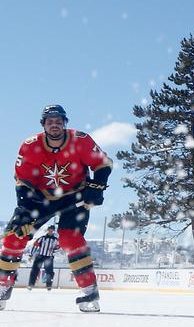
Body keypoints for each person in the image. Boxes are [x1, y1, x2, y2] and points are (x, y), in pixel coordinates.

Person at [1, 105, 112, 312]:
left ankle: (89, 291)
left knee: (71, 239)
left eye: (59, 120)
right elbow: (22, 180)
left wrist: (97, 186)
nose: (55, 124)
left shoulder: (80, 140)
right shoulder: (29, 146)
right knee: (14, 236)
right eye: (50, 121)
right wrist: (24, 209)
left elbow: (103, 164)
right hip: (40, 199)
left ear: (64, 123)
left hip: (74, 197)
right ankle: (2, 286)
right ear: (43, 124)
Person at [27, 224, 59, 291]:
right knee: (35, 270)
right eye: (50, 229)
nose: (51, 231)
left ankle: (49, 285)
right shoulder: (42, 238)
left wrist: (53, 249)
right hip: (40, 256)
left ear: (53, 231)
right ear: (48, 230)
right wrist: (31, 255)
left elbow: (58, 248)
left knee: (49, 272)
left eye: (52, 230)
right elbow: (35, 246)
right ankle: (31, 284)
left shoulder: (56, 240)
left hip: (49, 257)